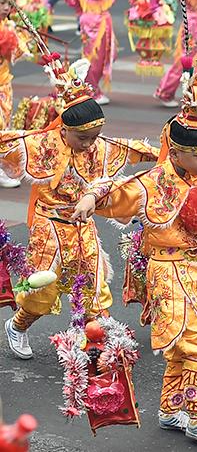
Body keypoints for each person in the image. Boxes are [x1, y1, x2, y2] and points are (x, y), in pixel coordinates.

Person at [71, 57, 197, 446]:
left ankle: (171, 409)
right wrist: (90, 198)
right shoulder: (152, 182)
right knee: (195, 342)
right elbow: (114, 188)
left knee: (185, 341)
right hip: (168, 270)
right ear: (175, 153)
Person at [1, 55, 158, 360]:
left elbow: (133, 151)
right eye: (82, 137)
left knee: (94, 286)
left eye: (94, 137)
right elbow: (6, 143)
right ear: (64, 128)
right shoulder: (41, 145)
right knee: (42, 290)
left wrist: (173, 154)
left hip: (83, 226)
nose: (89, 144)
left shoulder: (97, 146)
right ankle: (17, 326)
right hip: (49, 227)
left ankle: (97, 339)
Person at [58, 0, 119, 106]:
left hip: (105, 21)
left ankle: (89, 87)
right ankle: (91, 90)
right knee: (93, 59)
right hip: (91, 23)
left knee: (109, 55)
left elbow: (106, 2)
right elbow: (74, 2)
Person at [0, 0, 31, 188]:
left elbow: (17, 54)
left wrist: (23, 38)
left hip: (3, 83)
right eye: (1, 3)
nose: (6, 8)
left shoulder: (7, 25)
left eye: (8, 4)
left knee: (4, 125)